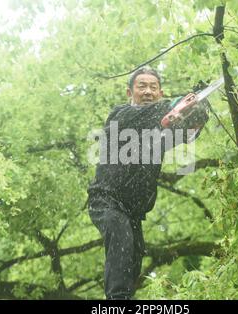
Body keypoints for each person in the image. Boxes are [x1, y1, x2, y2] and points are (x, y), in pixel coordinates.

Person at [87, 67, 208, 300]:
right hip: (106, 201)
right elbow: (147, 116)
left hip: (134, 212)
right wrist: (177, 102)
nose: (148, 91)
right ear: (129, 92)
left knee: (132, 261)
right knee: (120, 242)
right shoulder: (120, 115)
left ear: (160, 93)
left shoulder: (160, 132)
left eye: (153, 87)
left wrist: (198, 113)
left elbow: (187, 133)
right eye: (142, 86)